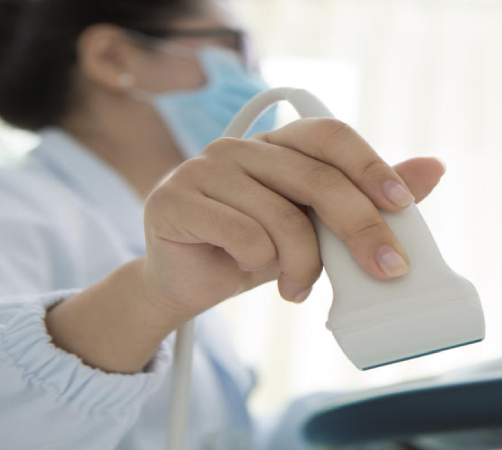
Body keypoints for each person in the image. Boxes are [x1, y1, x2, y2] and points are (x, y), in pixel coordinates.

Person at [0, 0, 446, 448]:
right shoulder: (15, 212)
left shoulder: (181, 231)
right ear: (113, 58)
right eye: (235, 46)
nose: (253, 74)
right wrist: (151, 296)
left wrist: (430, 411)